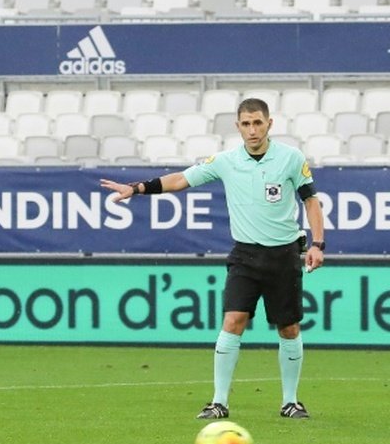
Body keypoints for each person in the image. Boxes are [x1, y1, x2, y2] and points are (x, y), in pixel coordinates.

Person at [100, 98, 325, 420]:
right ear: (237, 127)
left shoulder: (291, 159)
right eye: (246, 124)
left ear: (269, 124)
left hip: (283, 255)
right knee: (232, 321)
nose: (252, 130)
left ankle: (290, 401)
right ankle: (219, 402)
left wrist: (318, 244)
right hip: (245, 255)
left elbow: (311, 202)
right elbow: (180, 179)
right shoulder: (226, 160)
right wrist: (137, 188)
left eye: (258, 123)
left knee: (288, 328)